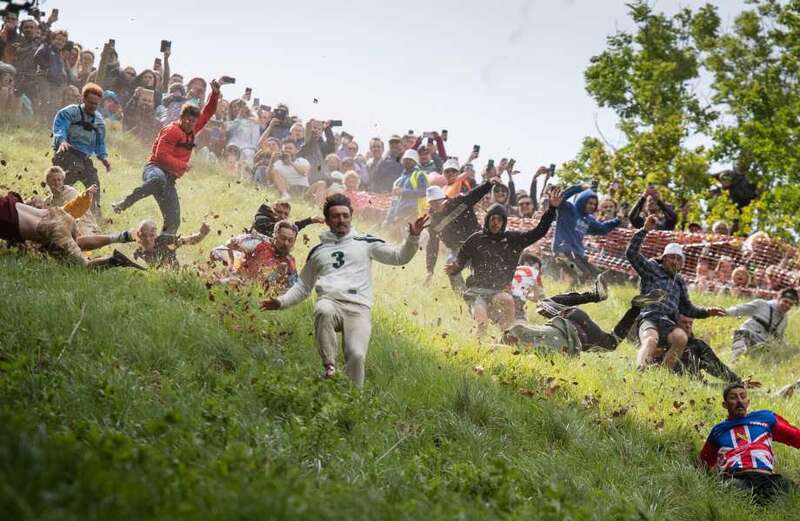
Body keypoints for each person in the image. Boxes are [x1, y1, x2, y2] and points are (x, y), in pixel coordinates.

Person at [260, 193, 429, 388]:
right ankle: (329, 367)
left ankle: (352, 400)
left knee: (356, 355)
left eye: (345, 215)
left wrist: (413, 237)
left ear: (351, 216)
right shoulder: (318, 251)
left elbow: (399, 257)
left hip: (359, 308)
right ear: (327, 220)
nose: (341, 220)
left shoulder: (366, 243)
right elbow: (303, 286)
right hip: (331, 301)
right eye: (336, 216)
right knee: (323, 309)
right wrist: (281, 302)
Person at [445, 187, 564, 336]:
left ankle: (506, 344)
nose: (495, 223)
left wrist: (552, 209)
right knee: (481, 324)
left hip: (499, 291)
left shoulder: (513, 239)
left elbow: (539, 232)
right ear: (487, 220)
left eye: (499, 219)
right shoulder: (475, 239)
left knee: (507, 317)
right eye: (492, 219)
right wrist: (454, 269)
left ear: (504, 221)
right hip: (476, 292)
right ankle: (476, 349)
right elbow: (459, 263)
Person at [112, 79, 221, 234]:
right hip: (154, 168)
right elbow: (161, 156)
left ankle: (162, 252)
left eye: (193, 121)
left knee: (174, 221)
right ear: (181, 117)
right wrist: (183, 166)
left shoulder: (193, 128)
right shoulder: (171, 130)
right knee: (158, 179)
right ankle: (124, 203)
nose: (190, 124)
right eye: (188, 120)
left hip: (169, 179)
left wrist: (215, 93)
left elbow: (208, 112)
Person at [626, 215, 727, 370]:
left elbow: (687, 309)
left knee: (681, 338)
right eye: (672, 258)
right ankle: (640, 368)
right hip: (649, 317)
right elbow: (632, 254)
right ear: (664, 258)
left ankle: (664, 374)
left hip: (668, 321)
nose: (675, 262)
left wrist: (707, 312)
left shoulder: (679, 282)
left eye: (679, 260)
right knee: (651, 340)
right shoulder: (651, 269)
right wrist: (644, 230)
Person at [699, 383, 800, 504]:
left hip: (768, 479)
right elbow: (703, 463)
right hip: (737, 479)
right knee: (732, 489)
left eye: (743, 396)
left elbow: (796, 437)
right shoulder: (718, 430)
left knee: (790, 492)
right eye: (733, 397)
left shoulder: (766, 418)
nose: (739, 401)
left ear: (748, 402)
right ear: (724, 405)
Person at [504, 283, 667, 354]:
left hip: (571, 326)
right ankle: (636, 307)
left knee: (543, 304)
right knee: (611, 343)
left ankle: (595, 294)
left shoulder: (522, 338)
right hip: (575, 324)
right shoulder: (525, 337)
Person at [0, 190, 138, 268]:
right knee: (76, 242)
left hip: (52, 230)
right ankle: (123, 236)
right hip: (57, 214)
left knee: (84, 267)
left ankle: (114, 260)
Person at [425, 178, 497, 292]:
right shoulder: (433, 222)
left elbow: (474, 194)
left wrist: (488, 184)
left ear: (444, 198)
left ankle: (485, 289)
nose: (436, 206)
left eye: (437, 202)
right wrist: (430, 269)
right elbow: (432, 245)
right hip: (457, 250)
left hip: (477, 242)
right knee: (450, 265)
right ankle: (462, 294)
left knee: (481, 271)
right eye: (432, 203)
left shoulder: (459, 202)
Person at [51, 82, 111, 220]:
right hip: (66, 152)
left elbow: (99, 142)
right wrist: (62, 140)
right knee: (74, 170)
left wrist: (103, 158)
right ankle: (55, 204)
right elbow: (60, 128)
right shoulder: (70, 112)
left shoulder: (99, 121)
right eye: (90, 103)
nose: (93, 106)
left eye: (96, 104)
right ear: (83, 99)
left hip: (84, 157)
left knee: (93, 182)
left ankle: (96, 214)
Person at [552, 184, 621, 286]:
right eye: (590, 203)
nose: (592, 206)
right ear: (582, 201)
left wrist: (617, 220)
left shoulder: (589, 220)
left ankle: (592, 297)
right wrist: (578, 188)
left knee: (598, 276)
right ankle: (565, 300)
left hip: (578, 254)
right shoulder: (569, 209)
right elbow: (561, 198)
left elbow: (602, 229)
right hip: (562, 251)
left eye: (594, 204)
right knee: (582, 274)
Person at [728, 288, 798, 361]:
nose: (787, 305)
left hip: (761, 344)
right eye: (785, 301)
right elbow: (739, 309)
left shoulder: (784, 320)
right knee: (740, 342)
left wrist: (789, 349)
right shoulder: (761, 304)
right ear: (778, 299)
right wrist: (724, 312)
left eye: (790, 304)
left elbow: (779, 339)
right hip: (746, 334)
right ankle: (733, 361)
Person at [670, 315, 742, 383]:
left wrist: (738, 382)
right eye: (684, 322)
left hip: (696, 385)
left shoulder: (697, 345)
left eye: (690, 323)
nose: (688, 326)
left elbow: (717, 367)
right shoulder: (661, 342)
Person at [237, 220, 299, 291]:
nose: (286, 243)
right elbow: (258, 280)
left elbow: (294, 289)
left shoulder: (290, 261)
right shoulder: (261, 247)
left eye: (290, 240)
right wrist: (277, 272)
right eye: (283, 238)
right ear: (274, 235)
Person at [132, 219, 210, 269]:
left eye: (151, 235)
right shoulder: (138, 254)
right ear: (139, 236)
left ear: (156, 234)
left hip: (176, 277)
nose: (148, 239)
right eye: (144, 235)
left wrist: (201, 234)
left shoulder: (164, 240)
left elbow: (189, 240)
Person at [383, 149, 428, 231]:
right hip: (399, 215)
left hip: (413, 213)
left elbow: (424, 192)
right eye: (405, 160)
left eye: (410, 160)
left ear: (415, 162)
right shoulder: (399, 180)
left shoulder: (419, 174)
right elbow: (394, 202)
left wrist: (404, 192)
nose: (407, 161)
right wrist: (388, 220)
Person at [251, 200, 322, 237]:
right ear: (271, 211)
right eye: (279, 212)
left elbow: (290, 228)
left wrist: (310, 220)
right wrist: (308, 220)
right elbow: (273, 227)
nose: (282, 216)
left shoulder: (280, 224)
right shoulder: (261, 217)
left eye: (286, 214)